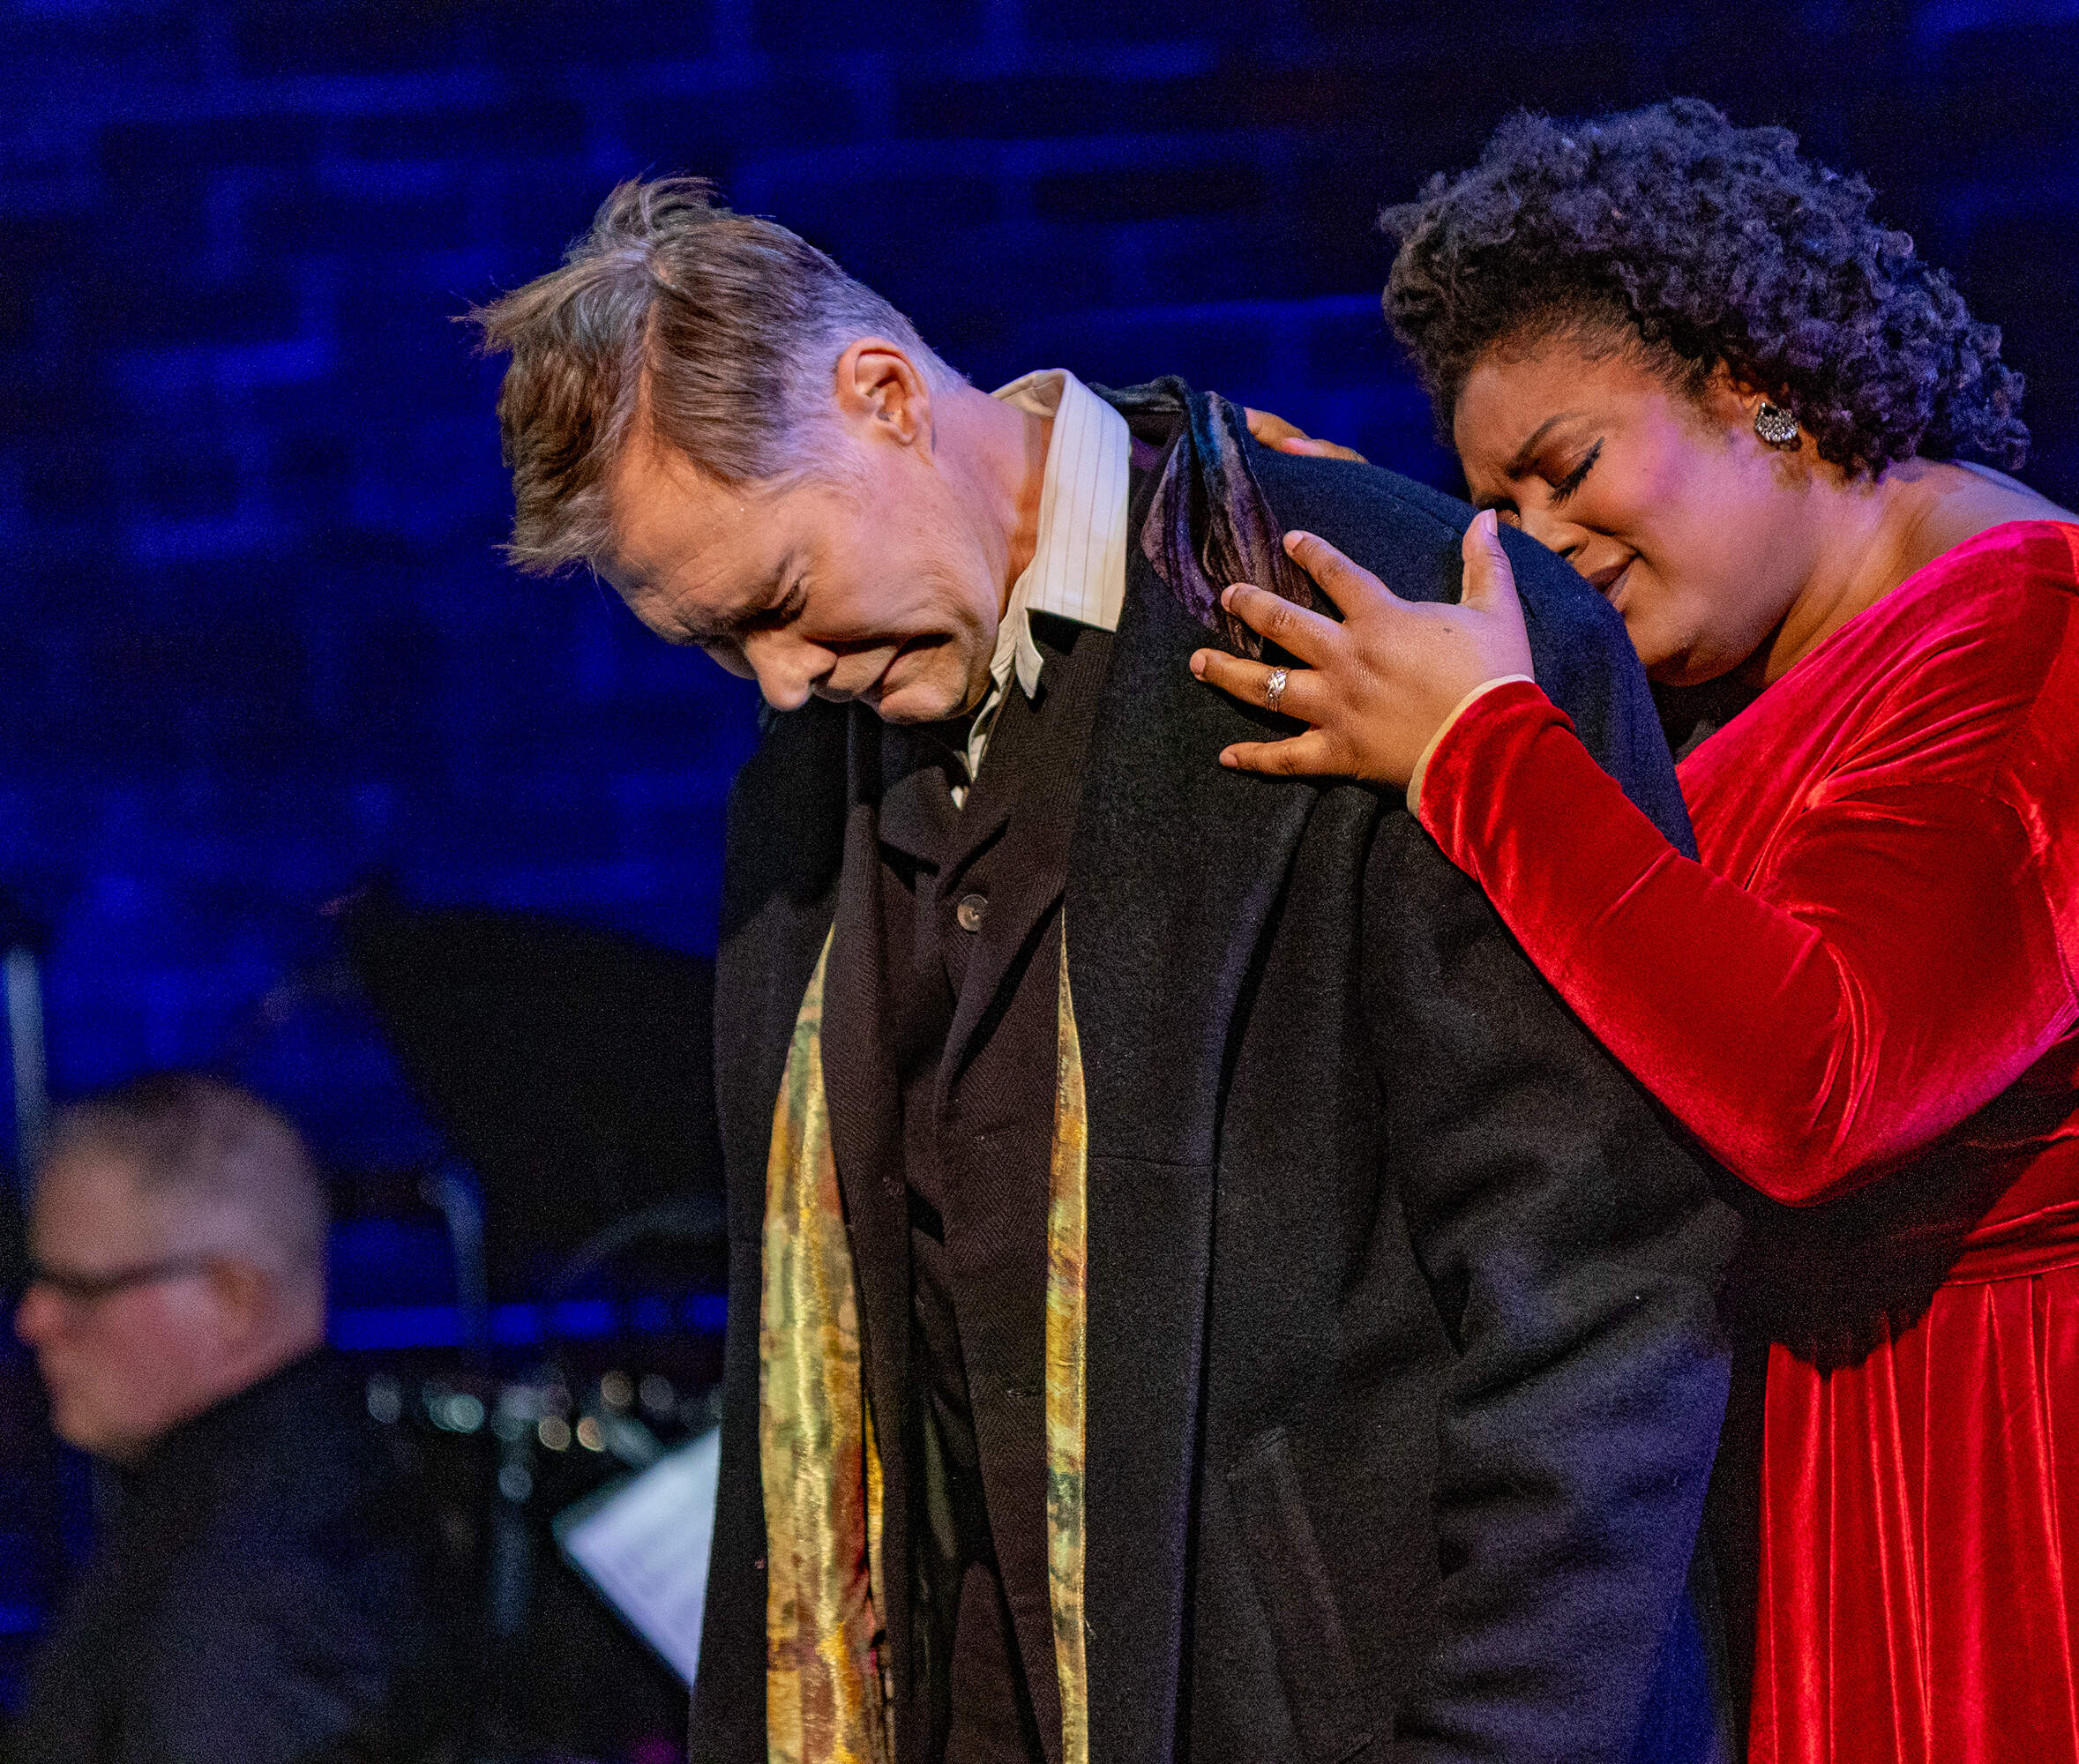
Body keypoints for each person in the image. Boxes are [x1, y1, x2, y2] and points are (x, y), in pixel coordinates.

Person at [1207, 101, 2079, 1762]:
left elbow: (1824, 1079)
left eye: (1564, 469)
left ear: (1750, 381)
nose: (1546, 539)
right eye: (1498, 503)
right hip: (1918, 1450)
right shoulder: (1777, 675)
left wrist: (1482, 749)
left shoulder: (2047, 634)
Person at [472, 177, 1739, 1764]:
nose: (783, 686)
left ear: (878, 396)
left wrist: (1502, 1739)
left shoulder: (1385, 610)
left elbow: (1598, 1286)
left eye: (781, 602)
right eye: (725, 650)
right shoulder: (820, 768)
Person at [9, 1073, 438, 1764]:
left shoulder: (244, 1600)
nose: (34, 1319)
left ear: (234, 1298)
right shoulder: (295, 1496)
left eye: (81, 1288)